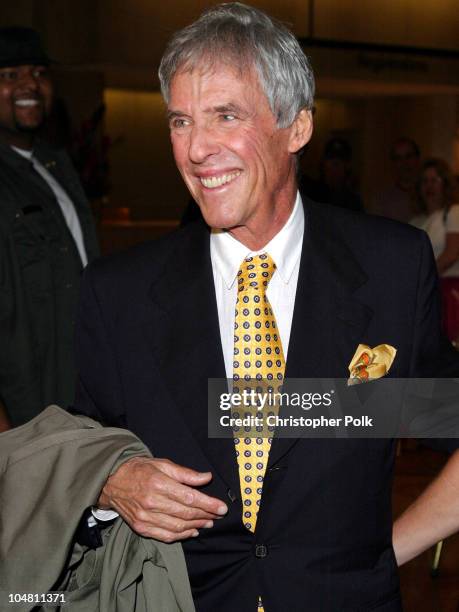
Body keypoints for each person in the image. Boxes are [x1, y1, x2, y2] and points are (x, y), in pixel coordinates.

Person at [73, 4, 459, 611]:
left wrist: (390, 548)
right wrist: (107, 481)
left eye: (226, 115)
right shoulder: (118, 292)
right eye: (180, 121)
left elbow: (442, 414)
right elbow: (72, 444)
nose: (197, 149)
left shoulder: (389, 269)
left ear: (296, 128)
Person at [0, 27, 99, 428]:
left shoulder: (56, 165)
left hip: (73, 400)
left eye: (39, 72)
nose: (30, 84)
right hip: (23, 417)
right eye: (9, 75)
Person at [411, 158, 459, 342]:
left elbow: (451, 253)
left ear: (445, 184)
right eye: (424, 181)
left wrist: (422, 280)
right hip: (425, 294)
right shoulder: (416, 221)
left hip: (448, 291)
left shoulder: (453, 212)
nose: (429, 186)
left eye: (435, 180)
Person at [300, 137, 363, 212]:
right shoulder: (310, 193)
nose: (335, 164)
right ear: (324, 163)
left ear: (347, 165)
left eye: (340, 160)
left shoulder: (353, 201)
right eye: (331, 159)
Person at [372, 137, 421, 222]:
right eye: (398, 158)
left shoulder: (429, 194)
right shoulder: (382, 200)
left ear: (417, 159)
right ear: (393, 163)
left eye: (408, 156)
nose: (404, 163)